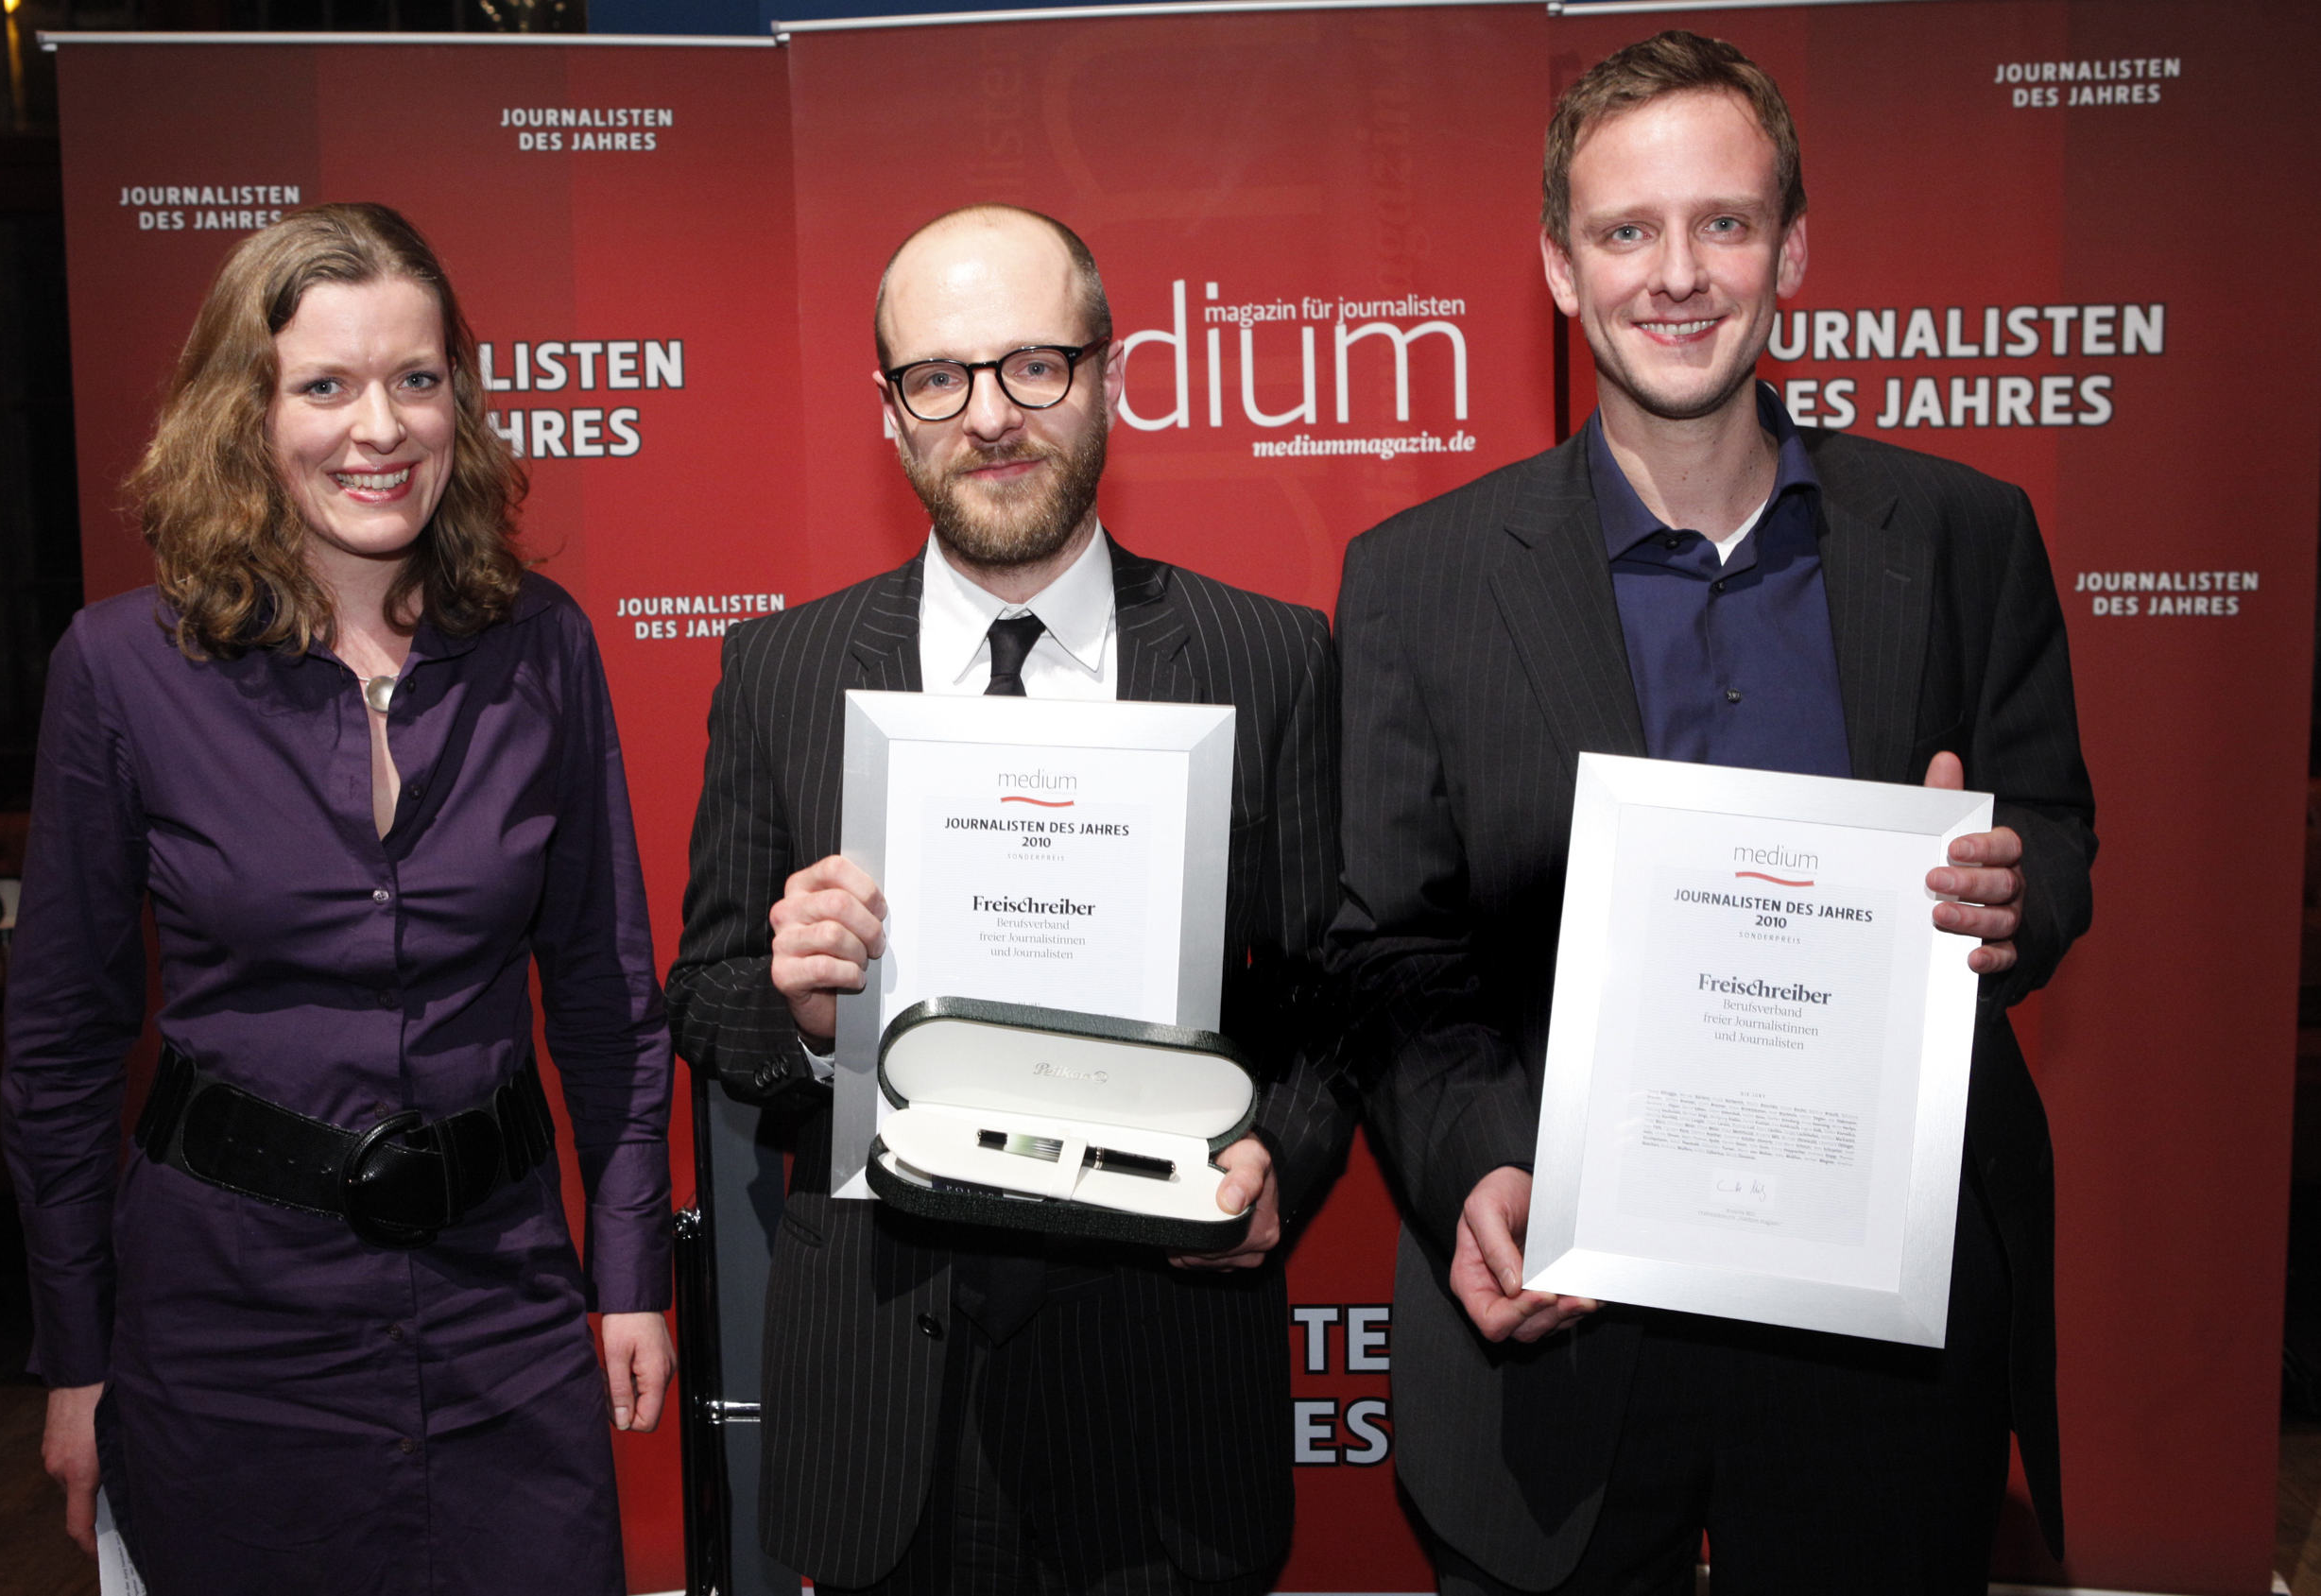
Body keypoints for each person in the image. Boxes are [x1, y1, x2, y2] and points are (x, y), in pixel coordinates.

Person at [1326, 31, 2094, 1596]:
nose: (1676, 275)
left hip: (1878, 1329)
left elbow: (2061, 840)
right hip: (1567, 1321)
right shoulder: (1422, 581)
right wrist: (1480, 1161)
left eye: (1725, 223)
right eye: (1626, 231)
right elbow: (1386, 950)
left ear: (1792, 248)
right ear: (1559, 265)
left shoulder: (1963, 537)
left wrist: (2017, 906)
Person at [665, 203, 1347, 1594]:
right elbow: (706, 991)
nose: (989, 414)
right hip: (881, 1398)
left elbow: (1339, 993)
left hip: (1162, 1392)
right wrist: (794, 1008)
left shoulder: (1268, 658)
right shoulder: (782, 672)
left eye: (1034, 364)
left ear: (1110, 375)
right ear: (891, 413)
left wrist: (1282, 1147)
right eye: (940, 378)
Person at [1, 202, 676, 1594]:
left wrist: (628, 1271)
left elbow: (608, 997)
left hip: (504, 1316)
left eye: (416, 379)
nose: (380, 427)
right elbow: (62, 1047)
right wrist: (76, 1356)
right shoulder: (120, 669)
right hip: (228, 1331)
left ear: (461, 404)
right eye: (326, 385)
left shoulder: (541, 646)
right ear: (245, 413)